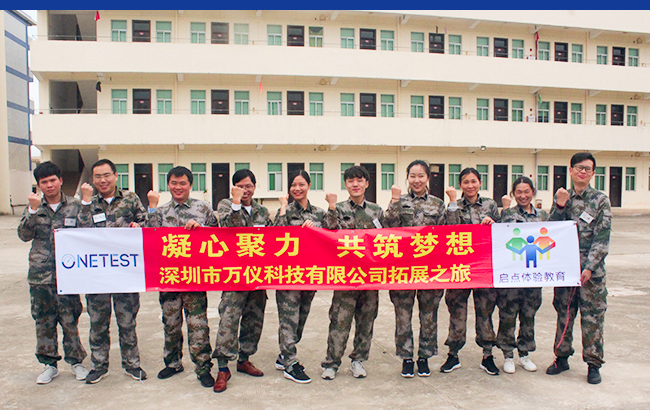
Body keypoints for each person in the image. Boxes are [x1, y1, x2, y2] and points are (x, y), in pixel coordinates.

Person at [17, 161, 89, 384]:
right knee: (43, 320)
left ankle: (76, 362)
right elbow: (24, 235)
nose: (49, 185)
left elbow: (88, 232)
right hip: (41, 276)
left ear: (60, 181)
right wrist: (32, 211)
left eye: (52, 180)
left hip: (68, 274)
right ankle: (49, 365)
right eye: (44, 182)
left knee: (70, 319)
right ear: (39, 185)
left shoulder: (75, 206)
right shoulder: (35, 207)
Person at [147, 166, 217, 388]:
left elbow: (218, 236)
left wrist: (201, 228)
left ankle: (203, 367)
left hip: (195, 277)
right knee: (171, 324)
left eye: (183, 183)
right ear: (168, 185)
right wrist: (151, 208)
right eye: (174, 183)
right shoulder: (160, 211)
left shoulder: (203, 208)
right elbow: (149, 237)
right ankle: (173, 362)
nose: (178, 187)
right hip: (169, 278)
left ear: (190, 185)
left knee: (198, 325)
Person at [78, 159, 147, 384]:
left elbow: (146, 223)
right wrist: (85, 202)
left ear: (116, 176)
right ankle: (99, 366)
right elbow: (78, 231)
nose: (103, 180)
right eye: (98, 176)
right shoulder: (87, 202)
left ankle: (132, 364)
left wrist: (139, 227)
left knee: (127, 322)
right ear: (92, 179)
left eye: (107, 175)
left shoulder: (130, 199)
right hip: (97, 274)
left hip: (125, 272)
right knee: (98, 322)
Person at [545, 152, 611, 385]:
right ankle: (561, 357)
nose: (583, 172)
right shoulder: (563, 197)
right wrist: (560, 205)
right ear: (571, 170)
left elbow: (602, 238)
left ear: (593, 174)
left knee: (592, 317)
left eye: (588, 169)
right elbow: (550, 231)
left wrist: (590, 267)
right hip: (566, 270)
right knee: (564, 314)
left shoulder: (600, 200)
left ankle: (593, 363)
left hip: (591, 274)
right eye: (579, 168)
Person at [320, 165, 385, 380]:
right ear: (346, 185)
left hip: (370, 277)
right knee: (339, 321)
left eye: (359, 180)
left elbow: (387, 239)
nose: (355, 184)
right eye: (350, 181)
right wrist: (331, 207)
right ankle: (332, 363)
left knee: (366, 321)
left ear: (367, 183)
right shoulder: (337, 208)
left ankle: (358, 360)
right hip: (345, 277)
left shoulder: (376, 211)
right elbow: (327, 232)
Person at [384, 160, 446, 378]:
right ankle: (407, 358)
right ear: (407, 178)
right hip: (403, 269)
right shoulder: (399, 201)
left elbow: (448, 233)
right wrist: (394, 201)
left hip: (430, 269)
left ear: (428, 178)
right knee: (403, 315)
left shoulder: (438, 204)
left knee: (429, 315)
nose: (416, 180)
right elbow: (388, 227)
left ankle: (424, 357)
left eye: (421, 176)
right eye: (412, 176)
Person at [212, 169, 272, 393]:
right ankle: (223, 368)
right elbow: (230, 228)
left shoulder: (262, 211)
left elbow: (272, 237)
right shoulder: (226, 205)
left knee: (254, 319)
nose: (244, 190)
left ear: (255, 187)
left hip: (257, 275)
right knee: (228, 320)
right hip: (233, 275)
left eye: (248, 186)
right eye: (239, 186)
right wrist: (236, 202)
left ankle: (244, 359)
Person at [443, 167, 501, 375]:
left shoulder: (490, 205)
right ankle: (453, 354)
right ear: (460, 185)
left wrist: (492, 223)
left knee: (485, 310)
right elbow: (450, 229)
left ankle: (487, 355)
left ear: (480, 183)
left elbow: (500, 233)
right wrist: (452, 202)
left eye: (474, 181)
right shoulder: (454, 205)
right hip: (460, 267)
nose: (470, 185)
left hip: (484, 266)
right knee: (457, 310)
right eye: (466, 182)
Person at [273, 170, 326, 384]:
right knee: (288, 319)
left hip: (310, 274)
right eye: (293, 185)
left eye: (301, 184)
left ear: (309, 186)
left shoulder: (319, 213)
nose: (297, 188)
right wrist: (283, 207)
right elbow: (275, 235)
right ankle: (290, 363)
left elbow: (332, 234)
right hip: (287, 275)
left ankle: (284, 354)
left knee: (301, 319)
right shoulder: (284, 211)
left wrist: (318, 228)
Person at [497, 177, 548, 374]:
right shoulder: (507, 214)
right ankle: (508, 355)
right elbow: (499, 238)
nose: (523, 195)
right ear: (513, 194)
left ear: (533, 192)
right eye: (519, 192)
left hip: (533, 276)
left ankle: (525, 353)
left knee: (528, 316)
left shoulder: (543, 216)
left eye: (526, 191)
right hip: (511, 276)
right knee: (508, 315)